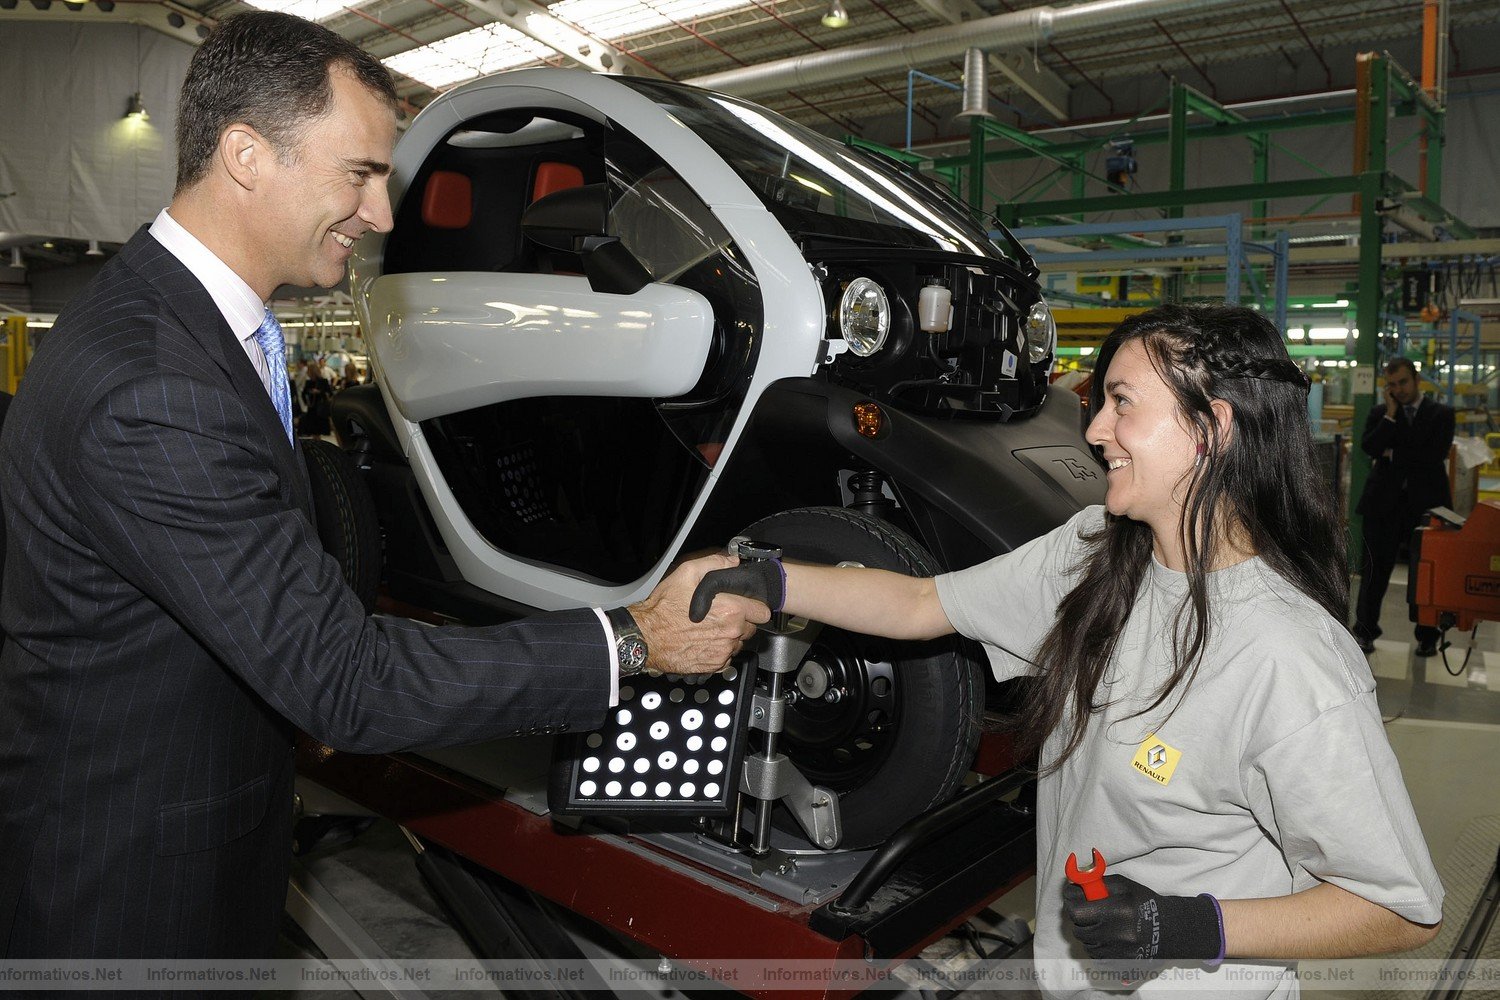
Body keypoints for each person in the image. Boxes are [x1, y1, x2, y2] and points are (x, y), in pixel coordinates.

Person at [0, 11, 766, 960]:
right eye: (360, 174)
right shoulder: (157, 385)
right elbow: (345, 681)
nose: (383, 216)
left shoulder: (185, 327)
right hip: (132, 893)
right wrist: (635, 640)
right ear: (246, 156)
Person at [697, 305, 1442, 998]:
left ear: (1211, 429)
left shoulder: (1291, 660)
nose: (1094, 432)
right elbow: (922, 603)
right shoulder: (1094, 554)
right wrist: (771, 578)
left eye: (1123, 404)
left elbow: (1400, 908)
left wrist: (1184, 924)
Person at [1353, 357, 1455, 657]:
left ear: (1417, 379)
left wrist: (1394, 451)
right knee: (1374, 574)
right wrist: (1392, 417)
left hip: (1426, 510)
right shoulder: (1382, 413)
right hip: (1383, 507)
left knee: (1425, 575)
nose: (1398, 389)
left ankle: (1427, 637)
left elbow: (1432, 455)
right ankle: (1365, 633)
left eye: (1403, 382)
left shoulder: (1442, 414)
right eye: (1392, 385)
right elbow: (1369, 447)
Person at [299, 358, 334, 436]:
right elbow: (303, 393)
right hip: (312, 407)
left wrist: (319, 392)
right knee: (314, 430)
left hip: (320, 407)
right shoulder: (309, 382)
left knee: (317, 429)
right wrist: (307, 402)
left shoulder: (323, 381)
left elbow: (329, 393)